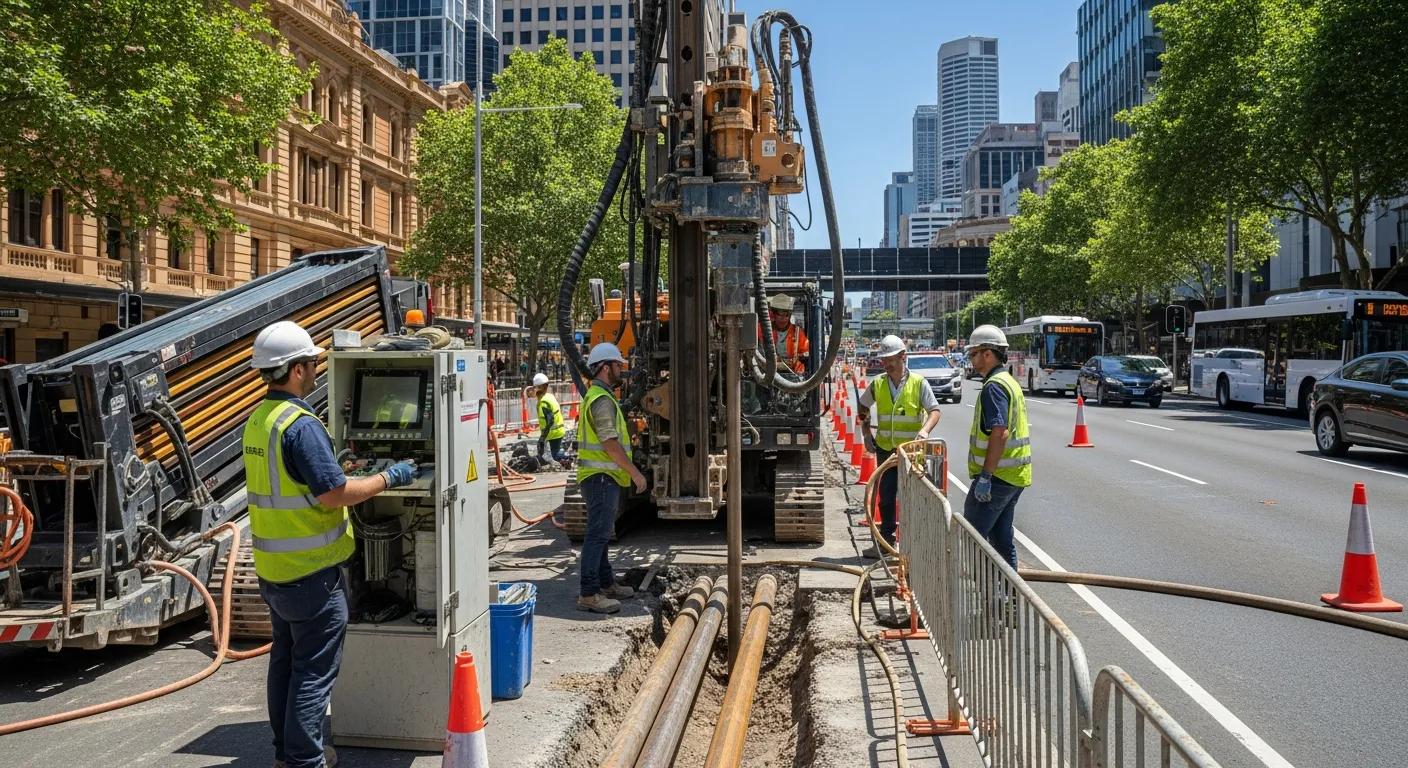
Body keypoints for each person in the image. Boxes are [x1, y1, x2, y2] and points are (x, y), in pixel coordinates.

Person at [242, 321, 417, 768]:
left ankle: (286, 754)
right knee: (313, 673)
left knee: (285, 663)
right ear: (297, 369)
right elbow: (333, 494)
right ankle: (305, 761)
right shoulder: (300, 426)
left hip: (275, 574)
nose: (317, 369)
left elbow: (296, 482)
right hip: (313, 575)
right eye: (313, 363)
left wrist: (337, 467)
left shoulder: (259, 421)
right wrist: (386, 477)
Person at [575, 342, 646, 613]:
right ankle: (589, 593)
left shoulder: (599, 396)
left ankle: (606, 583)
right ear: (606, 367)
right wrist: (636, 474)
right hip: (600, 476)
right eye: (618, 365)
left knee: (603, 533)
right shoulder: (601, 400)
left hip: (601, 477)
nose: (621, 370)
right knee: (597, 535)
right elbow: (610, 443)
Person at [857, 334, 941, 557]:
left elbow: (934, 411)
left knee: (912, 498)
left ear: (902, 356)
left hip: (911, 452)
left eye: (890, 357)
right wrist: (866, 434)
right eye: (883, 358)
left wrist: (924, 431)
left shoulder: (918, 383)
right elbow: (863, 407)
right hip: (886, 451)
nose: (885, 362)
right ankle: (886, 543)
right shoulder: (878, 384)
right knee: (885, 497)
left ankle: (916, 544)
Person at [963, 325, 1032, 570]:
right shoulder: (1008, 382)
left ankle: (992, 598)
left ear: (988, 354)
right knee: (1002, 541)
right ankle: (1009, 602)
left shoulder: (994, 387)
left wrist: (985, 476)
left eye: (974, 354)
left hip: (998, 478)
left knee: (973, 537)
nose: (971, 359)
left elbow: (999, 432)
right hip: (1014, 476)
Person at [529, 372, 568, 468]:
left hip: (553, 432)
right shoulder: (549, 396)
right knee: (554, 450)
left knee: (556, 454)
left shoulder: (544, 402)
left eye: (534, 388)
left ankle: (568, 460)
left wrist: (543, 436)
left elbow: (550, 419)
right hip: (557, 430)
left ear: (538, 388)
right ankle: (565, 461)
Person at [764, 294, 810, 374]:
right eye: (780, 314)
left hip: (792, 375)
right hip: (768, 373)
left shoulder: (797, 333)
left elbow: (806, 352)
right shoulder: (764, 330)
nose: (783, 318)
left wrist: (801, 357)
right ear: (773, 314)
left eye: (787, 315)